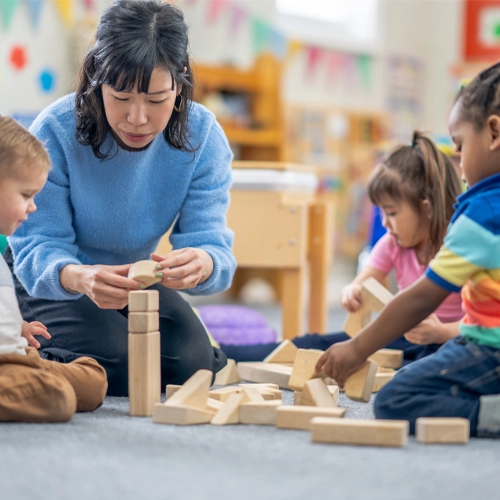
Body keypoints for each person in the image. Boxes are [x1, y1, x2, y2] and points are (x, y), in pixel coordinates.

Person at [6, 0, 234, 396]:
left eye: (157, 100)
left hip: (131, 279)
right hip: (56, 278)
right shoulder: (56, 129)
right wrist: (79, 276)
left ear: (179, 85)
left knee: (193, 366)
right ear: (97, 77)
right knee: (116, 362)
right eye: (121, 97)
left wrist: (204, 262)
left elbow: (211, 242)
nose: (138, 118)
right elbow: (39, 244)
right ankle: (19, 340)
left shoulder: (204, 135)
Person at [316, 62, 500, 437]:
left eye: (461, 146)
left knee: (396, 396)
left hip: (490, 352)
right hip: (476, 337)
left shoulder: (481, 216)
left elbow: (420, 299)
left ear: (494, 132)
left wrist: (356, 349)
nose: (460, 164)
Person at [220, 131, 463, 364]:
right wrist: (352, 291)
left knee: (422, 365)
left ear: (427, 208)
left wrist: (441, 332)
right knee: (319, 343)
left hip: (452, 341)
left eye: (392, 212)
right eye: (381, 212)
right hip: (406, 339)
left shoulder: (460, 247)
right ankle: (226, 352)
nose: (384, 222)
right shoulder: (392, 242)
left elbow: (486, 323)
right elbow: (363, 283)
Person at [0, 115, 107, 422]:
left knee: (93, 381)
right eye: (25, 196)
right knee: (56, 398)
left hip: (18, 357)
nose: (33, 207)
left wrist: (18, 327)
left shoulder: (1, 247)